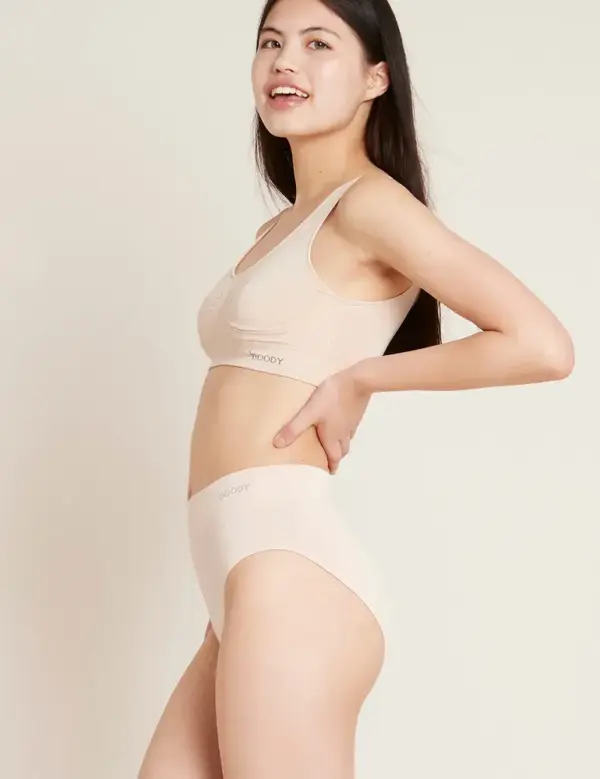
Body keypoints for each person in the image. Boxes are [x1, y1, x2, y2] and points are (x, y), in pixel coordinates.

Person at [138, 0, 574, 777]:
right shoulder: (282, 228)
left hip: (286, 566)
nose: (284, 61)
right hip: (238, 580)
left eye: (318, 44)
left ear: (376, 78)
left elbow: (542, 344)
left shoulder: (367, 204)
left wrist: (364, 376)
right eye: (270, 42)